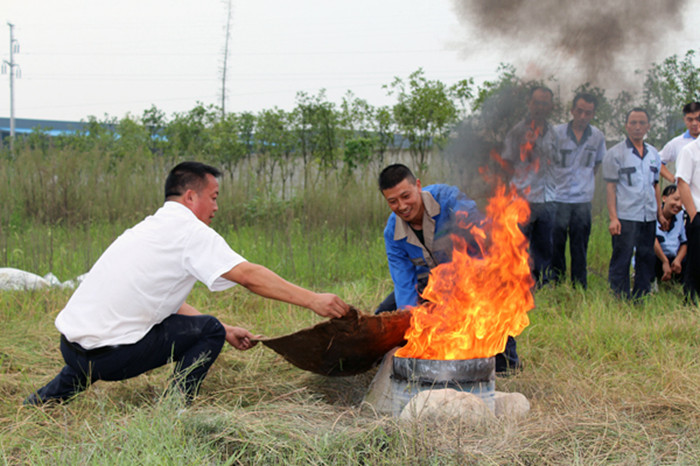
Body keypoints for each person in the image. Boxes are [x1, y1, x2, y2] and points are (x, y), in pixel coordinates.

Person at [24, 161, 349, 406]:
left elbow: (160, 301)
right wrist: (312, 299)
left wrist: (228, 328)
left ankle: (40, 402)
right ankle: (174, 408)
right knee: (208, 330)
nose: (216, 207)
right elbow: (248, 276)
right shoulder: (190, 232)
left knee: (109, 336)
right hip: (108, 357)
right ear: (191, 196)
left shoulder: (146, 229)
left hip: (73, 349)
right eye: (214, 197)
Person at [374, 164, 519, 373]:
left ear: (418, 186)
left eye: (406, 196)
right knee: (386, 315)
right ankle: (397, 363)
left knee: (487, 304)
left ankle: (506, 364)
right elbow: (403, 281)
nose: (402, 206)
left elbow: (481, 237)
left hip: (470, 274)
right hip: (430, 282)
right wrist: (410, 320)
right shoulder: (392, 232)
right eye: (393, 201)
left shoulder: (448, 200)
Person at [602, 108, 666, 299]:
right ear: (626, 126)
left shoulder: (653, 154)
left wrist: (660, 214)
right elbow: (611, 188)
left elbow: (656, 185)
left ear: (648, 126)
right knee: (622, 257)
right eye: (633, 123)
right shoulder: (615, 153)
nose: (637, 127)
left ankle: (641, 296)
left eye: (642, 123)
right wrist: (613, 218)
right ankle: (619, 297)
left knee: (646, 256)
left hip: (648, 216)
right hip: (626, 216)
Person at [502, 86, 558, 286]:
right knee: (518, 246)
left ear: (550, 106)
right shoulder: (517, 132)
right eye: (537, 103)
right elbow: (506, 163)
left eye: (545, 103)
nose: (540, 107)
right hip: (522, 200)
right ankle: (517, 285)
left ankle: (543, 285)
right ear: (529, 103)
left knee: (544, 247)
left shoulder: (553, 133)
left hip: (547, 198)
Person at [551, 92, 607, 288]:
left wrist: (585, 183)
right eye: (580, 111)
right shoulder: (556, 133)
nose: (583, 116)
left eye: (588, 113)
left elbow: (597, 165)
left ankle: (579, 286)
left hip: (582, 201)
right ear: (572, 110)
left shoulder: (597, 137)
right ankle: (557, 284)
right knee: (556, 244)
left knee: (580, 245)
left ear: (593, 114)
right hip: (558, 198)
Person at [675, 135, 700, 302]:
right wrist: (693, 215)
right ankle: (691, 301)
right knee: (696, 262)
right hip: (697, 213)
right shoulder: (690, 150)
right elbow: (682, 182)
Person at [653, 184, 687, 284]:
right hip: (657, 258)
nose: (678, 204)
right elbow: (651, 239)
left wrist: (678, 260)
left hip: (673, 258)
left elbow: (684, 242)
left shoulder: (681, 216)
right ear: (664, 198)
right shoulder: (652, 214)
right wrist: (665, 261)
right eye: (676, 199)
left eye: (682, 201)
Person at [659, 102, 700, 183]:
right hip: (685, 189)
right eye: (690, 120)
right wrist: (672, 178)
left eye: (698, 119)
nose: (694, 123)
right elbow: (656, 160)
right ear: (684, 119)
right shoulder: (676, 143)